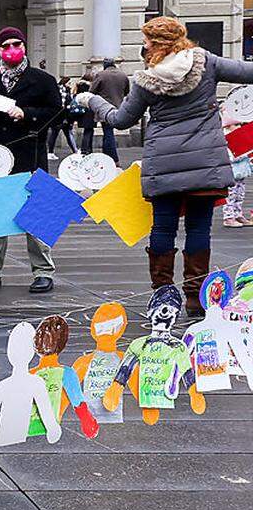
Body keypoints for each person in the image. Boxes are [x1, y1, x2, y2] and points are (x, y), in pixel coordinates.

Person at [77, 16, 253, 316]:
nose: (144, 46)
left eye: (147, 41)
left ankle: (163, 296)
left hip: (164, 164)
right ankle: (197, 299)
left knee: (163, 228)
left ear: (156, 44)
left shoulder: (147, 81)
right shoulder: (207, 62)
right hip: (205, 163)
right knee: (199, 229)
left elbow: (121, 120)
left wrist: (92, 100)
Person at [0, 27, 61, 294]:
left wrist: (25, 114)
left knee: (36, 215)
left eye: (16, 44)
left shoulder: (42, 80)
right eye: (6, 45)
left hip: (29, 155)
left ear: (25, 46)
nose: (12, 49)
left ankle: (43, 271)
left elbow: (56, 114)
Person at [89, 58, 129, 163]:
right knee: (108, 132)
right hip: (118, 107)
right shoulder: (123, 75)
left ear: (104, 65)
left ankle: (112, 158)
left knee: (108, 132)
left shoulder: (101, 75)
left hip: (104, 108)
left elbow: (92, 91)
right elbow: (127, 91)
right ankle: (108, 156)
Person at [47, 76, 79, 160]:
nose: (70, 85)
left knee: (60, 134)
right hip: (61, 117)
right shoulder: (63, 92)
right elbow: (64, 105)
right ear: (65, 83)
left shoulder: (59, 90)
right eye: (69, 83)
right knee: (64, 133)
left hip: (59, 117)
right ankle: (75, 151)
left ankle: (51, 152)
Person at [75, 80, 96, 153]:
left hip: (82, 115)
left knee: (87, 131)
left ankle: (86, 148)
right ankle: (86, 149)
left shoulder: (79, 95)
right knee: (89, 132)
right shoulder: (91, 95)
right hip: (90, 114)